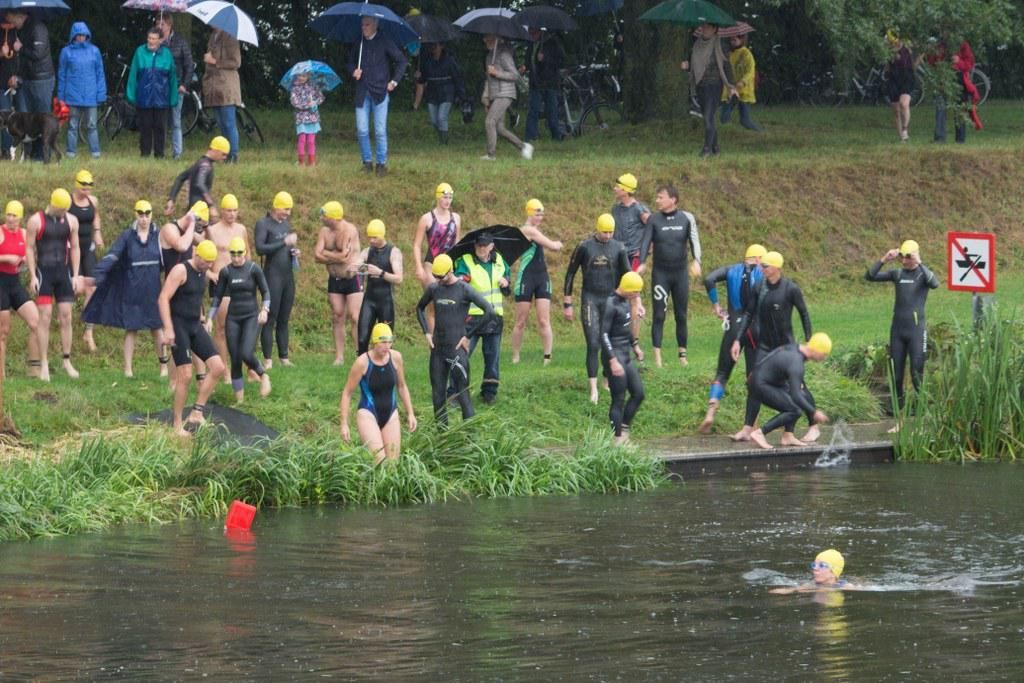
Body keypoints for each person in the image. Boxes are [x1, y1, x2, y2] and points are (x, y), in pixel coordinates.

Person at [730, 251, 813, 442]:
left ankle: (789, 434)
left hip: (786, 347)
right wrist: (737, 340)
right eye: (762, 266)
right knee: (754, 383)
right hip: (765, 347)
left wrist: (808, 340)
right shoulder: (759, 287)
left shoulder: (791, 289)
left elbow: (804, 314)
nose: (761, 269)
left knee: (793, 388)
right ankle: (747, 428)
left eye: (765, 266)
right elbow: (749, 315)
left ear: (776, 268)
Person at [82, 199, 165, 378]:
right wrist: (97, 276)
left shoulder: (159, 235)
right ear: (136, 214)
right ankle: (128, 370)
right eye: (140, 214)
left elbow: (171, 258)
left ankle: (163, 368)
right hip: (132, 289)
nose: (144, 218)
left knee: (157, 328)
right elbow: (112, 255)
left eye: (147, 214)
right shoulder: (127, 236)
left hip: (153, 290)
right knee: (132, 329)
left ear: (151, 214)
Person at [416, 254, 495, 427]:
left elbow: (489, 311)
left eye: (441, 276)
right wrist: (427, 333)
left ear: (451, 270)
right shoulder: (435, 288)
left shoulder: (464, 289)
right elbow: (420, 308)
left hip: (456, 350)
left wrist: (467, 336)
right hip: (437, 350)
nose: (439, 280)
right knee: (437, 396)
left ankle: (471, 440)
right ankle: (442, 439)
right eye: (436, 277)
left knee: (463, 396)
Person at [865, 240, 939, 420]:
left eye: (908, 257)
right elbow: (870, 276)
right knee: (896, 374)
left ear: (914, 255)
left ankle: (922, 409)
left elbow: (935, 283)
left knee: (916, 374)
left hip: (916, 332)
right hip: (898, 330)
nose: (904, 261)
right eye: (902, 257)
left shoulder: (923, 275)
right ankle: (898, 409)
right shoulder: (898, 273)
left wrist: (919, 262)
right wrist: (884, 259)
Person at [158, 239, 226, 437]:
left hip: (195, 325)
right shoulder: (181, 270)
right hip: (178, 327)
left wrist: (203, 315)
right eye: (206, 262)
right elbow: (163, 298)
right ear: (197, 256)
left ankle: (197, 412)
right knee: (185, 376)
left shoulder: (203, 271)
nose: (208, 266)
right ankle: (177, 424)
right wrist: (168, 328)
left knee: (218, 367)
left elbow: (194, 296)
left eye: (211, 263)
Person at [563, 213, 631, 403]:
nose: (608, 236)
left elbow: (628, 277)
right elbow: (570, 274)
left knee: (609, 341)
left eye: (611, 232)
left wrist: (634, 301)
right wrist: (567, 303)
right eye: (604, 232)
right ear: (597, 229)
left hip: (611, 300)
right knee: (594, 343)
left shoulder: (619, 248)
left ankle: (606, 381)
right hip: (590, 299)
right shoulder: (585, 247)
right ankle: (593, 388)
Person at [699, 244, 765, 433]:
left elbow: (709, 279)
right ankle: (752, 425)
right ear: (759, 258)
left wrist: (716, 306)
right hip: (754, 328)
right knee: (753, 377)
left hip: (733, 326)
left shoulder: (731, 270)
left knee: (722, 373)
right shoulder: (763, 273)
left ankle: (711, 412)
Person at [639, 183, 702, 367]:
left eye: (661, 197)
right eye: (657, 197)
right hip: (661, 274)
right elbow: (645, 242)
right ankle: (657, 358)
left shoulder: (686, 218)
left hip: (680, 274)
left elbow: (694, 240)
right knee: (659, 315)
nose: (657, 200)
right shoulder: (653, 220)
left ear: (672, 200)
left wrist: (697, 260)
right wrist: (642, 263)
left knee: (681, 315)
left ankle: (682, 355)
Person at [339, 322, 417, 464]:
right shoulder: (362, 362)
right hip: (368, 413)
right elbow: (347, 393)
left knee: (393, 465)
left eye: (389, 342)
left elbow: (402, 386)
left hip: (391, 413)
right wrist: (344, 423)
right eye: (383, 342)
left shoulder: (396, 358)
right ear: (374, 342)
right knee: (379, 462)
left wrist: (410, 413)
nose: (387, 346)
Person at [25, 188, 81, 381]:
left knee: (66, 316)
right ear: (54, 206)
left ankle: (66, 360)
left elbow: (75, 247)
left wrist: (75, 274)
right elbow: (29, 249)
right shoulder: (36, 221)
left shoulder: (72, 221)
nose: (64, 213)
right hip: (44, 273)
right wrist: (33, 276)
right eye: (62, 210)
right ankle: (44, 363)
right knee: (45, 318)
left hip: (63, 273)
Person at [208, 236, 271, 402]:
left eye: (239, 254)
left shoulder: (253, 269)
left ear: (245, 253)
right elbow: (217, 297)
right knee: (235, 357)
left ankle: (263, 375)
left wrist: (265, 309)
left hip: (251, 316)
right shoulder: (226, 272)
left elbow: (265, 291)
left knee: (245, 352)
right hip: (233, 317)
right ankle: (240, 401)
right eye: (233, 254)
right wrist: (209, 318)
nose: (236, 258)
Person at [746, 333, 832, 450]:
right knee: (795, 410)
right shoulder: (796, 363)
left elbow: (774, 354)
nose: (824, 358)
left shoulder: (795, 348)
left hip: (761, 380)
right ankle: (760, 433)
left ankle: (788, 435)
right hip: (760, 385)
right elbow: (795, 395)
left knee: (800, 395)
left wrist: (756, 370)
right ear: (817, 351)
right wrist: (813, 412)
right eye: (824, 354)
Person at [346, 16, 407, 176]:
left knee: (380, 131)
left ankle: (381, 165)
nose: (363, 28)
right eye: (362, 25)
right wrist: (353, 71)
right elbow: (349, 62)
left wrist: (394, 82)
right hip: (362, 93)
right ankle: (366, 163)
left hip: (380, 92)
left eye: (366, 25)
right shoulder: (359, 42)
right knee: (362, 130)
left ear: (375, 25)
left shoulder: (384, 40)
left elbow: (402, 61)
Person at [455, 232, 509, 404]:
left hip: (495, 317)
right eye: (478, 245)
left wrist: (506, 282)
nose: (480, 248)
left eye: (484, 245)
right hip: (472, 317)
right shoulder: (465, 261)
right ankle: (455, 393)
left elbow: (508, 280)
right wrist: (462, 278)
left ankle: (489, 394)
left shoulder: (500, 260)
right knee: (463, 355)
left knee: (492, 357)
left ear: (491, 246)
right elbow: (457, 281)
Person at [511, 198, 562, 364]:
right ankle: (515, 356)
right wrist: (558, 244)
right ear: (529, 212)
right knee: (520, 321)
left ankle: (547, 356)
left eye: (542, 214)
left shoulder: (535, 230)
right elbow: (552, 246)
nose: (540, 217)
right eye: (537, 214)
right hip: (526, 278)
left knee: (543, 320)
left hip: (542, 277)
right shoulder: (527, 230)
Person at [314, 200, 362, 365]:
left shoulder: (350, 230)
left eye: (324, 216)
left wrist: (326, 254)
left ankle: (359, 353)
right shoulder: (324, 231)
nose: (321, 218)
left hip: (352, 278)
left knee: (355, 317)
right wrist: (335, 255)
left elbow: (345, 257)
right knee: (337, 315)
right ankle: (339, 356)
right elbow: (316, 256)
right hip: (334, 279)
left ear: (333, 218)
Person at [254, 191, 298, 369]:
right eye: (285, 209)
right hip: (272, 276)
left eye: (289, 210)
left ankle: (284, 357)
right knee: (269, 318)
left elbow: (286, 247)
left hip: (287, 276)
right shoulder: (263, 224)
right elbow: (260, 248)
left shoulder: (285, 224)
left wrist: (293, 252)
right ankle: (268, 359)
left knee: (284, 318)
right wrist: (284, 243)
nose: (287, 213)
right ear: (276, 206)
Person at [206, 193, 250, 369]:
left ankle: (245, 367)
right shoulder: (213, 230)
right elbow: (202, 255)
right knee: (222, 328)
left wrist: (249, 276)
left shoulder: (241, 229)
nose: (232, 214)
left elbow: (247, 253)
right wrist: (210, 274)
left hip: (240, 282)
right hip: (221, 283)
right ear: (222, 211)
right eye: (228, 210)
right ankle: (223, 368)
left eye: (235, 210)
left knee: (243, 327)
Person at [602, 271, 646, 445]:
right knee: (618, 398)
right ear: (628, 289)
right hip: (613, 356)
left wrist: (635, 345)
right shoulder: (610, 304)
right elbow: (603, 335)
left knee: (638, 393)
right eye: (636, 292)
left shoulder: (627, 303)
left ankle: (625, 427)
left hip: (625, 354)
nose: (637, 296)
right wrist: (612, 361)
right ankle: (617, 438)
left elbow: (625, 329)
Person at [680, 23, 736, 157]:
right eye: (703, 27)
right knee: (707, 116)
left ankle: (706, 149)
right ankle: (715, 148)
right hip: (700, 85)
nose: (705, 30)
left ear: (715, 30)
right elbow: (692, 65)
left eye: (708, 27)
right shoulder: (696, 45)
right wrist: (686, 66)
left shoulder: (720, 46)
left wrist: (732, 87)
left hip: (714, 85)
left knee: (708, 117)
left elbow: (727, 68)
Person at [0, 200, 40, 379]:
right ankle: (1, 374)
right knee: (3, 331)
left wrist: (25, 260)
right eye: (8, 214)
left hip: (15, 283)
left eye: (14, 215)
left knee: (35, 321)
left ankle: (34, 369)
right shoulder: (0, 232)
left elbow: (31, 252)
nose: (10, 218)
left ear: (20, 217)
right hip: (1, 284)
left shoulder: (24, 233)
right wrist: (7, 258)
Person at [412, 182, 460, 332]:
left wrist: (461, 265)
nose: (447, 201)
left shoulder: (456, 218)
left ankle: (448, 337)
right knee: (434, 305)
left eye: (450, 197)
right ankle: (433, 342)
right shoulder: (427, 219)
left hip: (450, 265)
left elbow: (457, 244)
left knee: (451, 303)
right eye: (445, 197)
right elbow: (417, 245)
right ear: (438, 197)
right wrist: (419, 267)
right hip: (431, 265)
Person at [126, 26, 178, 159]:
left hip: (162, 98)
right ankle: (144, 154)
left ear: (160, 40)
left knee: (160, 127)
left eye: (154, 38)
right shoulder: (140, 52)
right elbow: (133, 74)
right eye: (149, 38)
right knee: (145, 127)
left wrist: (173, 97)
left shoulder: (167, 54)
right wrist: (131, 94)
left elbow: (172, 77)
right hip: (144, 97)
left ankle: (159, 155)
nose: (151, 41)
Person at [57, 21, 105, 159]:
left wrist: (101, 94)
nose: (81, 37)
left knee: (92, 125)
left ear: (87, 35)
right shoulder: (66, 52)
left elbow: (100, 73)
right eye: (78, 35)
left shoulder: (95, 51)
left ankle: (95, 154)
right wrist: (61, 97)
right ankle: (71, 153)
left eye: (83, 35)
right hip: (72, 95)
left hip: (91, 95)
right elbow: (62, 75)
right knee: (72, 126)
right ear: (73, 35)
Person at [481, 34, 532, 162]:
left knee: (489, 121)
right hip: (496, 94)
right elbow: (489, 80)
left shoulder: (504, 55)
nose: (485, 40)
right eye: (485, 38)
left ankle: (491, 155)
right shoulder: (488, 57)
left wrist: (497, 73)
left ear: (496, 40)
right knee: (499, 128)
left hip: (505, 93)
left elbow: (515, 75)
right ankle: (524, 147)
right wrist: (486, 99)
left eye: (488, 38)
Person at [68, 169, 103, 352]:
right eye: (84, 187)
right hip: (71, 250)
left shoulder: (93, 201)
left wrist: (97, 233)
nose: (87, 190)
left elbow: (95, 216)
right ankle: (66, 317)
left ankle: (88, 331)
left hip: (87, 248)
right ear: (76, 184)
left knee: (93, 288)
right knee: (77, 287)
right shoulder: (68, 202)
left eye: (89, 186)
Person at [356, 219, 402, 355]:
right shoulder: (367, 251)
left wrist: (381, 273)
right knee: (363, 338)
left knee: (385, 340)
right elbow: (354, 266)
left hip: (386, 301)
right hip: (369, 300)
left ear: (382, 235)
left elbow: (399, 278)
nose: (371, 240)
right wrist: (358, 267)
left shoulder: (393, 252)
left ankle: (386, 367)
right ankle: (362, 367)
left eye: (374, 237)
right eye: (369, 237)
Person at [15, 12, 54, 161]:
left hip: (42, 79)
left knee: (43, 119)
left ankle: (45, 156)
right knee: (33, 120)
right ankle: (34, 155)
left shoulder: (38, 28)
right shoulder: (24, 29)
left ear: (21, 16)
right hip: (30, 78)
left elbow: (38, 53)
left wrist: (21, 48)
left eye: (13, 17)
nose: (11, 21)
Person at [156, 14, 194, 160]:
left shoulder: (181, 41)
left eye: (162, 24)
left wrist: (184, 84)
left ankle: (177, 154)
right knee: (160, 121)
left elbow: (189, 65)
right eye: (157, 23)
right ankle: (160, 152)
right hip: (159, 88)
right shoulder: (155, 42)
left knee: (176, 121)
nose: (160, 27)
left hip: (177, 87)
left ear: (169, 25)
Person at [165, 136, 230, 217]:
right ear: (216, 150)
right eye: (223, 154)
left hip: (193, 211)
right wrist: (211, 205)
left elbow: (180, 178)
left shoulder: (200, 163)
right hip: (198, 213)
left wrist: (171, 199)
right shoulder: (205, 165)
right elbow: (200, 183)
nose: (225, 157)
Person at [932, 40, 983, 144]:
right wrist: (938, 58)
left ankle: (960, 139)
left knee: (960, 109)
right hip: (943, 79)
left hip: (959, 79)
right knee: (940, 107)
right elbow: (932, 61)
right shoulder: (939, 45)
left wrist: (959, 61)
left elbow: (969, 65)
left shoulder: (962, 44)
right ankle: (939, 138)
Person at [202, 28, 241, 162]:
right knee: (220, 123)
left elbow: (236, 62)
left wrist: (215, 61)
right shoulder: (213, 35)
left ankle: (233, 155)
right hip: (214, 87)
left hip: (227, 87)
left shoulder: (230, 36)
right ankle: (225, 154)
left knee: (229, 123)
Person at [414, 42, 465, 145]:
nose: (433, 48)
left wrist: (461, 95)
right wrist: (418, 77)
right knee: (433, 120)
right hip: (432, 94)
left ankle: (444, 142)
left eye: (435, 45)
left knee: (442, 117)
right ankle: (442, 136)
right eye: (431, 46)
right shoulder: (427, 62)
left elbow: (457, 78)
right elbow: (422, 80)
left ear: (441, 46)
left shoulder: (449, 61)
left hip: (447, 93)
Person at [522, 27, 564, 143]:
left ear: (539, 32)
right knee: (533, 109)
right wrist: (526, 66)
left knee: (551, 111)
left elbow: (561, 61)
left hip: (549, 82)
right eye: (530, 33)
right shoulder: (532, 44)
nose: (531, 35)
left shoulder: (552, 42)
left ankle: (556, 135)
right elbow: (529, 60)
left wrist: (545, 59)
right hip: (535, 82)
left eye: (533, 32)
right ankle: (530, 136)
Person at [611, 173, 651, 272]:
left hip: (634, 257)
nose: (614, 189)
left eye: (617, 187)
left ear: (625, 190)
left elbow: (654, 229)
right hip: (618, 254)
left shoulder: (639, 209)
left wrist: (646, 250)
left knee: (631, 285)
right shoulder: (615, 209)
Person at [719, 33, 759, 131]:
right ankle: (727, 134)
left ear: (742, 39)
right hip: (730, 89)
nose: (734, 39)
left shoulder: (746, 54)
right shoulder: (727, 53)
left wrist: (743, 82)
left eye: (737, 37)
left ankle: (760, 133)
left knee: (745, 120)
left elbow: (750, 71)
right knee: (724, 117)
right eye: (732, 37)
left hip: (744, 90)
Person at [769, 549, 855, 594]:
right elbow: (797, 589)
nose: (815, 568)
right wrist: (788, 590)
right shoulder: (811, 584)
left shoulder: (846, 587)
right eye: (814, 565)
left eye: (822, 565)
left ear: (834, 572)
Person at [0, 12, 25, 159]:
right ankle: (6, 151)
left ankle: (24, 149)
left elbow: (26, 59)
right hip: (2, 84)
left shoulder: (19, 34)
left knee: (22, 115)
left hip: (18, 82)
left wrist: (18, 79)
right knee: (5, 115)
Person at [886, 30, 916, 143]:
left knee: (904, 104)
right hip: (893, 78)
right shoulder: (887, 50)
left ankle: (905, 129)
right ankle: (902, 138)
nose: (894, 43)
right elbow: (887, 65)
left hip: (906, 77)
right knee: (896, 111)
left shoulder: (907, 47)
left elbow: (919, 54)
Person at [289, 72, 324, 166]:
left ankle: (312, 161)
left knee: (311, 141)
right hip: (301, 118)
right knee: (302, 139)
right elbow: (294, 102)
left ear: (308, 76)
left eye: (304, 76)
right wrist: (306, 105)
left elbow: (320, 97)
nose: (301, 77)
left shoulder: (313, 86)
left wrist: (314, 103)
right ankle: (301, 161)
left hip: (312, 118)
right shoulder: (295, 88)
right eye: (299, 75)